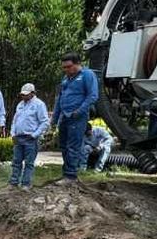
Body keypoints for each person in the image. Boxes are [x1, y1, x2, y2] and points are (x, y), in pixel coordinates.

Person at [51, 52, 99, 183]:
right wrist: (54, 118)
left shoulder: (87, 75)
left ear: (78, 64)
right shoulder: (66, 79)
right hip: (65, 116)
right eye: (64, 67)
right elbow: (60, 98)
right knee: (63, 145)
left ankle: (70, 176)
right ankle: (66, 173)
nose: (66, 70)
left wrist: (79, 111)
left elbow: (93, 96)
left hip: (77, 117)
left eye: (68, 67)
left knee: (73, 146)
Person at [9, 83, 49, 190]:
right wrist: (13, 133)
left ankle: (26, 184)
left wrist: (35, 134)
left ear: (32, 93)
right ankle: (13, 183)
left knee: (29, 163)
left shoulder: (39, 105)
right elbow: (15, 120)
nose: (24, 96)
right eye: (22, 94)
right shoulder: (20, 105)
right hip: (19, 137)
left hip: (30, 138)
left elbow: (45, 122)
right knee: (16, 162)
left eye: (26, 94)